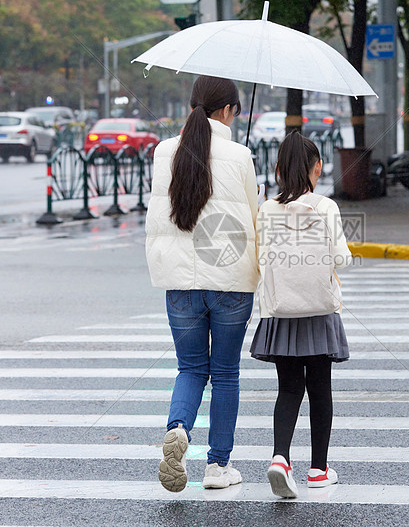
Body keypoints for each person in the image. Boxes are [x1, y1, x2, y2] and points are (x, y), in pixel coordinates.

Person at [145, 75, 259, 493]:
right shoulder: (240, 154)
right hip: (230, 280)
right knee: (225, 373)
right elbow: (252, 216)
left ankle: (178, 427)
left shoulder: (163, 153)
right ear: (228, 111)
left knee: (190, 368)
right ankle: (217, 466)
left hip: (180, 282)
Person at [249, 131, 353, 498]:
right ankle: (319, 469)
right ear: (318, 168)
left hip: (281, 313)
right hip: (319, 310)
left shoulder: (266, 210)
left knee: (289, 388)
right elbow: (342, 259)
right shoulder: (326, 207)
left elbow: (260, 262)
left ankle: (280, 457)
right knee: (320, 389)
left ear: (277, 170)